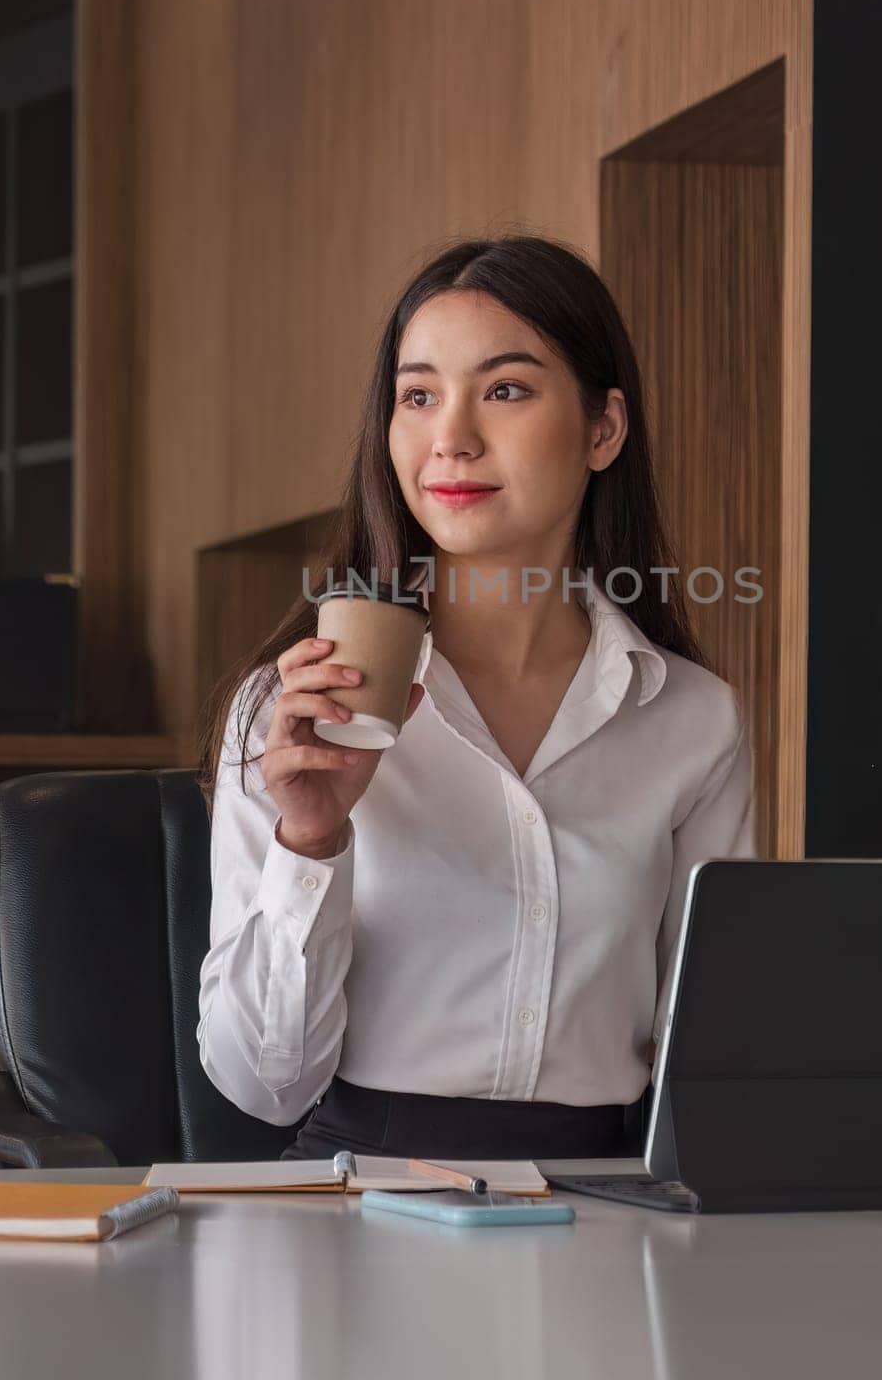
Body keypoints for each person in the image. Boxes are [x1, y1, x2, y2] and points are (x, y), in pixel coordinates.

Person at [194, 233, 757, 1161]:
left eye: (504, 390)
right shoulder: (298, 706)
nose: (449, 436)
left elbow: (715, 1043)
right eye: (418, 396)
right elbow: (263, 1086)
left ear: (603, 429)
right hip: (358, 1202)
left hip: (607, 1207)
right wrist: (311, 837)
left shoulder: (692, 720)